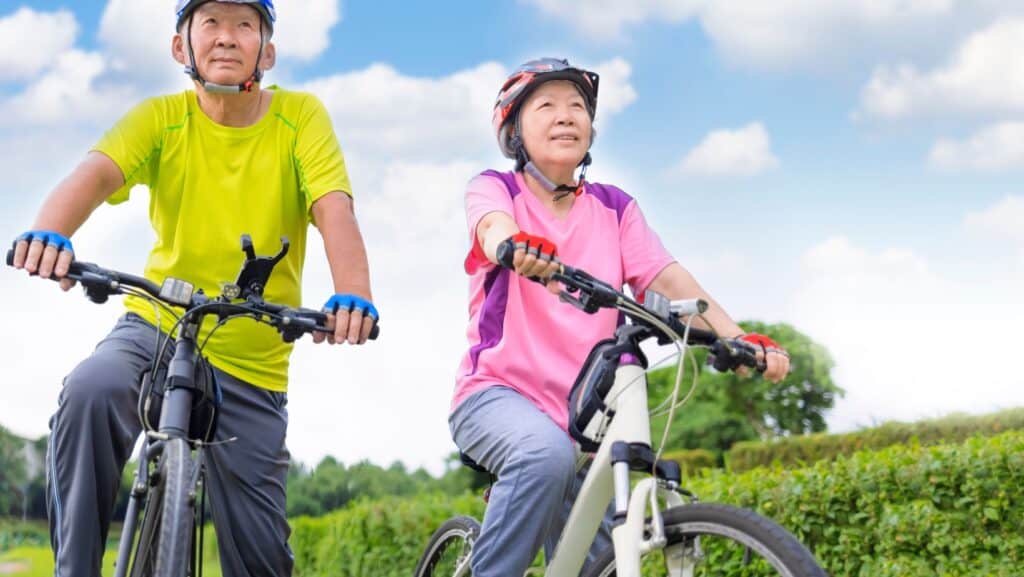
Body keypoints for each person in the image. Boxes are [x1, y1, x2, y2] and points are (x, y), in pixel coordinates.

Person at [8, 1, 377, 575]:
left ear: (268, 52)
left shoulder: (301, 118)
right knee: (90, 391)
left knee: (262, 560)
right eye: (211, 22)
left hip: (252, 358)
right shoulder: (161, 118)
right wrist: (48, 236)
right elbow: (96, 174)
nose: (227, 37)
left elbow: (334, 209)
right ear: (181, 47)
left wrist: (352, 292)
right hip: (158, 324)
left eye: (244, 25)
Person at [449, 57, 790, 576]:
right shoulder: (498, 189)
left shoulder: (615, 208)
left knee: (599, 544)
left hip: (586, 419)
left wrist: (737, 338)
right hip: (495, 396)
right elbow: (490, 227)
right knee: (545, 458)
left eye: (578, 107)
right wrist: (513, 245)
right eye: (546, 106)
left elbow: (668, 280)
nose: (566, 115)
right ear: (513, 131)